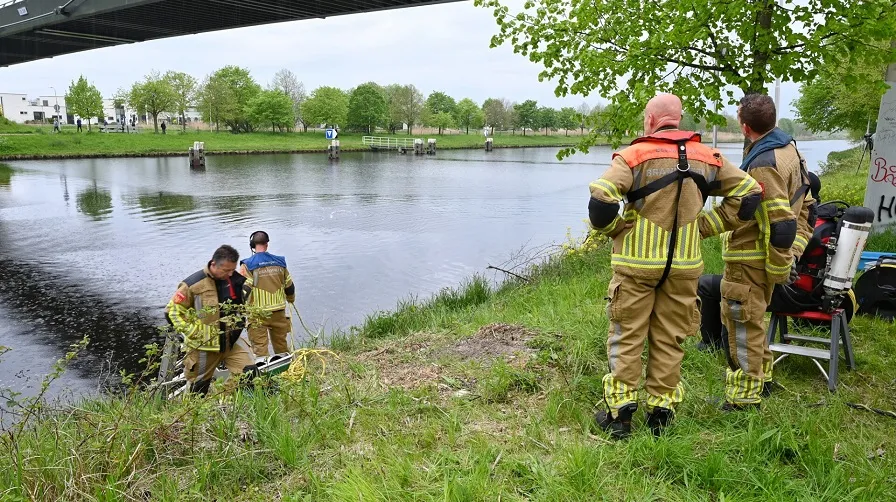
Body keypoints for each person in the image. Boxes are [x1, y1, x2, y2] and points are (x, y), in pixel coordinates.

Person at [588, 94, 762, 439]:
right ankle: (661, 415)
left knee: (626, 336)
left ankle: (620, 416)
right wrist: (705, 226)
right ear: (678, 119)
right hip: (684, 266)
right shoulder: (707, 156)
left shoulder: (635, 155)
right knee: (671, 339)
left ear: (650, 121)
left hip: (635, 266)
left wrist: (617, 229)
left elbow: (601, 200)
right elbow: (750, 193)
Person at [716, 94, 815, 411]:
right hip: (767, 258)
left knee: (741, 326)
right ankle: (763, 379)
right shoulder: (789, 149)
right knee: (755, 322)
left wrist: (778, 267)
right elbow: (806, 210)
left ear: (744, 127)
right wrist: (793, 254)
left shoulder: (762, 165)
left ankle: (744, 399)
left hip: (750, 258)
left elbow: (781, 224)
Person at [698, 172, 821, 353]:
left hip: (784, 291)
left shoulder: (785, 220)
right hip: (809, 295)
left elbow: (777, 247)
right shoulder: (812, 221)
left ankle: (711, 344)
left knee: (708, 286)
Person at [165, 244, 258, 395]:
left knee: (250, 373)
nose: (230, 274)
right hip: (204, 346)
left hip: (231, 341)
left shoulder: (234, 279)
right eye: (226, 270)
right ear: (213, 264)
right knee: (198, 388)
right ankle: (190, 416)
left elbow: (244, 295)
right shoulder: (193, 285)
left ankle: (223, 396)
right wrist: (193, 332)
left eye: (232, 270)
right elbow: (172, 312)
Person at [240, 231, 295, 357]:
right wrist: (291, 299)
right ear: (267, 244)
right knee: (281, 346)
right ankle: (286, 371)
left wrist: (238, 308)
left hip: (258, 314)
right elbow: (289, 285)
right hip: (279, 312)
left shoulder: (247, 265)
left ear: (252, 246)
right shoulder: (280, 262)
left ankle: (265, 374)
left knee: (260, 349)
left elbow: (245, 288)